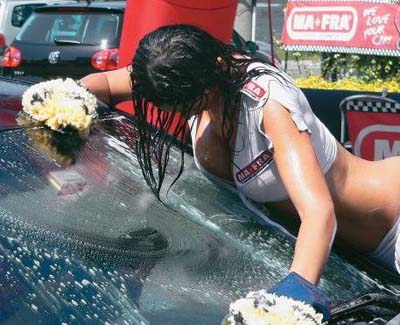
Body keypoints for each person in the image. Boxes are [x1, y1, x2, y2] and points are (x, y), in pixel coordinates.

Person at [80, 24, 400, 321]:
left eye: (183, 106)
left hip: (392, 224)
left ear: (210, 75)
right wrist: (65, 101)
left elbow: (318, 212)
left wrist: (291, 301)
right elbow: (105, 84)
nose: (175, 114)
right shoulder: (171, 76)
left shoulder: (269, 104)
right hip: (354, 262)